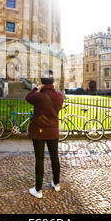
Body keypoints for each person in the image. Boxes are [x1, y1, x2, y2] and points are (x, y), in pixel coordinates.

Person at [25, 70, 64, 199]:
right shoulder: (59, 95)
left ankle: (38, 189)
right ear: (53, 82)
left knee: (40, 159)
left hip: (39, 131)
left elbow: (28, 97)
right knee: (55, 158)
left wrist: (37, 88)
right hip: (53, 130)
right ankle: (56, 183)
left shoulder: (38, 95)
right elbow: (57, 108)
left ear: (43, 82)